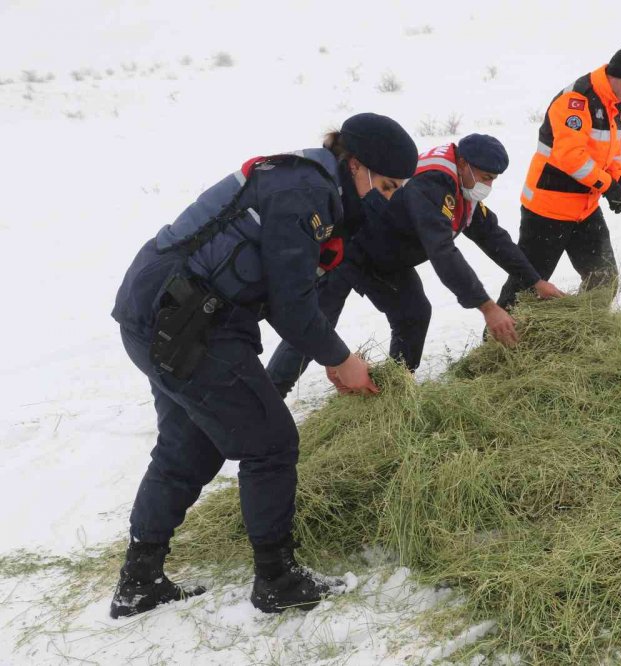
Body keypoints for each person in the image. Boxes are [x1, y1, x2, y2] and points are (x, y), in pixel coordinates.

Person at [109, 113, 418, 617]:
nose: (384, 197)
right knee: (273, 443)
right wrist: (340, 358)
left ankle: (139, 580)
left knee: (190, 446)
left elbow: (288, 297)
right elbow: (292, 307)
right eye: (383, 185)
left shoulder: (307, 183)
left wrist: (330, 356)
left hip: (156, 312)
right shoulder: (303, 192)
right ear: (355, 164)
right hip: (185, 319)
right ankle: (276, 578)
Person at [266, 133, 565, 395]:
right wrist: (488, 307)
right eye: (486, 177)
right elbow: (443, 252)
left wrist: (535, 280)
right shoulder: (434, 185)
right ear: (463, 164)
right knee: (313, 328)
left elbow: (493, 237)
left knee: (414, 313)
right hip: (351, 250)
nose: (488, 185)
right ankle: (270, 397)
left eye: (493, 179)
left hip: (387, 257)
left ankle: (393, 388)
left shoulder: (463, 188)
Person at [496, 44, 621, 310]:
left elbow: (612, 153)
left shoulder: (618, 106)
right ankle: (495, 346)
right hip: (548, 210)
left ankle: (585, 334)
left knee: (604, 279)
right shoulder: (577, 100)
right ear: (616, 74)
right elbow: (571, 157)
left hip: (585, 209)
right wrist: (608, 186)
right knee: (525, 287)